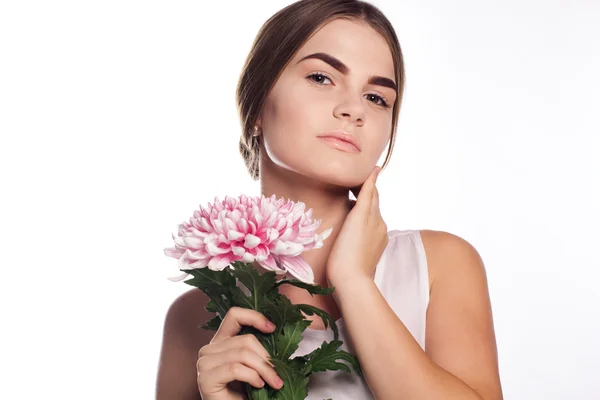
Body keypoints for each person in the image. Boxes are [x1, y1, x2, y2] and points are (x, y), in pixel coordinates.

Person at [155, 0, 503, 399]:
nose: (353, 109)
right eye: (321, 77)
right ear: (255, 108)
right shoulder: (194, 316)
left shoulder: (440, 265)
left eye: (377, 98)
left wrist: (354, 283)